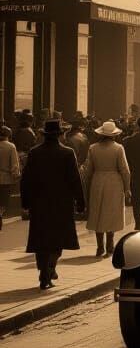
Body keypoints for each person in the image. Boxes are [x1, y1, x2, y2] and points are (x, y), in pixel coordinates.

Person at [20, 118, 85, 289]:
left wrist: (25, 201)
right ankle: (50, 269)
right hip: (61, 203)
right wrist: (81, 201)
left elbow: (26, 179)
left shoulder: (34, 152)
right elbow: (75, 180)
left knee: (40, 239)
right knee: (58, 239)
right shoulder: (67, 153)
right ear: (60, 135)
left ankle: (44, 270)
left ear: (44, 135)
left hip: (39, 202)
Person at [83, 121, 132, 257]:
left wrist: (87, 185)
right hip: (114, 182)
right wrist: (127, 188)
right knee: (111, 212)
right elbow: (125, 170)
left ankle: (100, 247)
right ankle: (110, 245)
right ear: (114, 135)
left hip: (97, 180)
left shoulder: (93, 148)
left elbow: (88, 170)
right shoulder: (118, 148)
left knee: (98, 212)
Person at [0, 125, 21, 231]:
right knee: (3, 200)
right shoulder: (11, 146)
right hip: (5, 178)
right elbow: (14, 165)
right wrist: (16, 176)